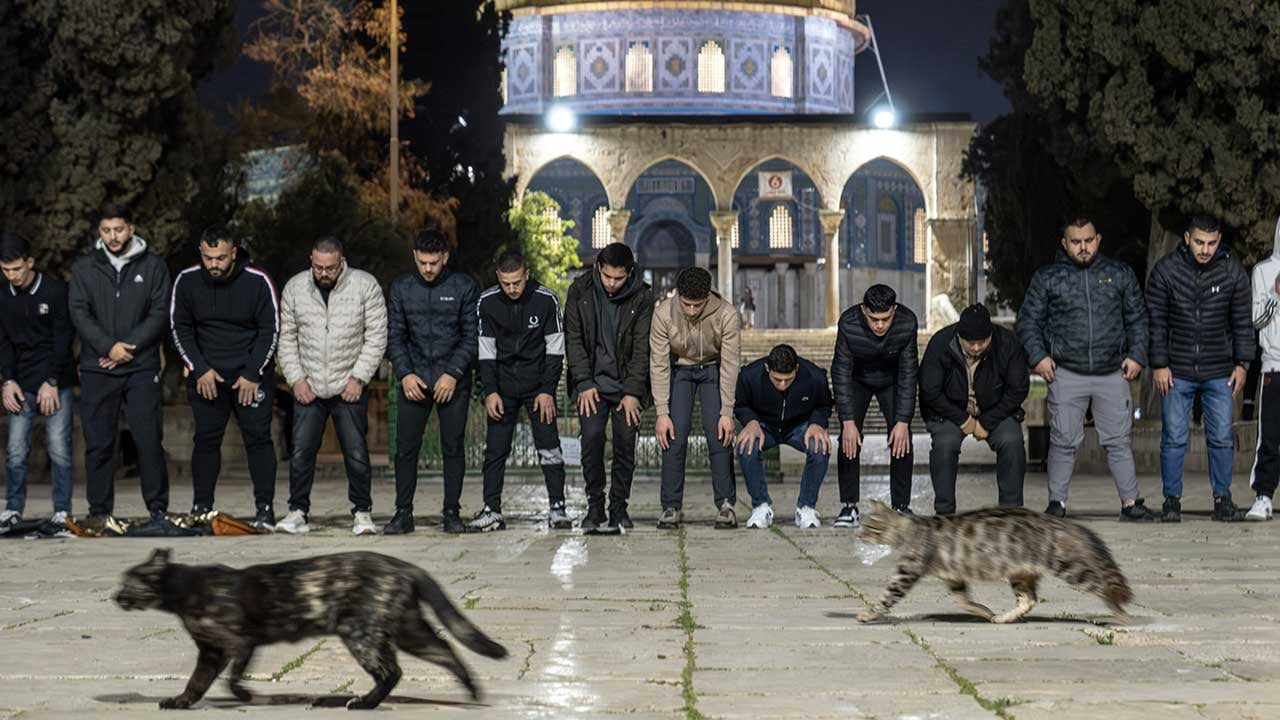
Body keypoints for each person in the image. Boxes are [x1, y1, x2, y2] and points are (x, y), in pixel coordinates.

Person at [1015, 214, 1159, 521]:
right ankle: (1057, 504)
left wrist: (1136, 355)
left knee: (1118, 441)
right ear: (1064, 243)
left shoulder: (1119, 274)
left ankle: (1130, 503)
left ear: (1098, 240)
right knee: (1063, 441)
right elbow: (1028, 321)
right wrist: (1039, 356)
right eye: (1076, 242)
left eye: (1089, 240)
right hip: (1066, 372)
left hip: (1112, 372)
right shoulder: (1048, 277)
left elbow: (1137, 318)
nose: (1083, 247)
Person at [273, 237, 387, 536]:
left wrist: (359, 378)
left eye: (331, 268)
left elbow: (376, 336)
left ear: (342, 262)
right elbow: (286, 339)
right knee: (301, 453)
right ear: (311, 260)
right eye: (319, 267)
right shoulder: (295, 288)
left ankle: (362, 512)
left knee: (357, 454)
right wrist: (296, 379)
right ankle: (298, 511)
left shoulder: (365, 286)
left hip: (349, 385)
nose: (324, 273)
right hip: (308, 386)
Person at [169, 226, 280, 529]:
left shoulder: (258, 281)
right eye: (208, 258)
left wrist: (252, 373)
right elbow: (180, 328)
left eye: (220, 258)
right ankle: (201, 507)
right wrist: (199, 368)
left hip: (250, 377)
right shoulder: (187, 280)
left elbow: (270, 330)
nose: (214, 265)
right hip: (207, 378)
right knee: (205, 441)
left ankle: (265, 510)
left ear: (233, 253)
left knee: (258, 441)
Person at [1147, 215, 1254, 522]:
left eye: (1211, 243)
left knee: (1221, 437)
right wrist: (1159, 365)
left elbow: (1242, 322)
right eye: (1199, 242)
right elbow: (1156, 321)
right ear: (1186, 238)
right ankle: (1171, 502)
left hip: (1219, 370)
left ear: (1219, 241)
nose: (1205, 249)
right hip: (1176, 370)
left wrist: (1242, 363)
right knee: (1173, 438)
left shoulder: (1232, 270)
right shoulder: (1166, 270)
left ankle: (1223, 500)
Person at [69, 204, 172, 523]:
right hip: (97, 366)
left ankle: (157, 509)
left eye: (119, 229)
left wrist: (128, 348)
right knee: (98, 443)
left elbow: (159, 312)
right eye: (106, 230)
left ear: (131, 228)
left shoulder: (154, 266)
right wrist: (107, 347)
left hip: (141, 367)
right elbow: (79, 312)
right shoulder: (85, 268)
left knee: (149, 440)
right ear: (99, 232)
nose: (113, 236)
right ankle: (99, 512)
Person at [384, 227, 479, 534]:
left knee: (453, 447)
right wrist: (405, 373)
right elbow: (395, 336)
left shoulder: (464, 286)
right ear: (415, 257)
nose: (427, 269)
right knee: (405, 449)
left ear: (445, 257)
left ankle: (451, 513)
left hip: (452, 381)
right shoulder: (400, 288)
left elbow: (471, 336)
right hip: (414, 380)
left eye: (433, 263)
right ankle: (403, 513)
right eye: (422, 262)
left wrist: (453, 373)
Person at [471, 251, 569, 532]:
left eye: (517, 282)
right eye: (506, 283)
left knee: (549, 447)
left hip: (539, 388)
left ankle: (557, 507)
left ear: (527, 275)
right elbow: (486, 351)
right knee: (495, 451)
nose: (512, 289)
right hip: (502, 388)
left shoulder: (546, 300)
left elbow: (555, 350)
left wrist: (547, 390)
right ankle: (492, 510)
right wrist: (490, 391)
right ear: (498, 279)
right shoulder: (487, 303)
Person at [564, 242, 654, 530]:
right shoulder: (580, 291)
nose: (612, 284)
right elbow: (574, 340)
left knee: (626, 444)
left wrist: (632, 392)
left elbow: (642, 349)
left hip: (626, 386)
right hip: (591, 384)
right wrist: (584, 383)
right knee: (591, 440)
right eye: (607, 277)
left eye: (619, 278)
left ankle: (618, 507)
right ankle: (594, 506)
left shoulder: (643, 296)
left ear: (630, 273)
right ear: (598, 269)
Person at [650, 267, 742, 529]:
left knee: (719, 435)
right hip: (681, 371)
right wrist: (661, 413)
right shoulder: (663, 314)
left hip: (713, 369)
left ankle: (726, 505)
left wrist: (726, 411)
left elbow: (730, 364)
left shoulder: (727, 314)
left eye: (697, 305)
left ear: (707, 298)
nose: (691, 311)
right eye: (686, 304)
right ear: (678, 295)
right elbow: (658, 364)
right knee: (673, 437)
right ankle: (670, 506)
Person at [919, 303, 1029, 515]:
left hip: (996, 410)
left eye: (982, 342)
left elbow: (1018, 389)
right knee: (944, 444)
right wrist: (965, 421)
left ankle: (1012, 513)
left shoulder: (1008, 343)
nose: (977, 347)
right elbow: (930, 391)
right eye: (971, 343)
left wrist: (986, 422)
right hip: (950, 411)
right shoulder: (941, 344)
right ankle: (944, 513)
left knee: (1012, 441)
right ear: (959, 336)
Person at [0, 232, 77, 533]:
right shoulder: (2, 294)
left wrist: (52, 380)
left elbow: (63, 340)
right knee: (16, 450)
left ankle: (61, 511)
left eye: (17, 269)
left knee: (59, 448)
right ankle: (12, 509)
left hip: (55, 382)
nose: (12, 276)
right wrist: (7, 381)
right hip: (20, 383)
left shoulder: (57, 291)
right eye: (5, 271)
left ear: (30, 262)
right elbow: (3, 341)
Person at [830, 284, 918, 526]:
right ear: (863, 310)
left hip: (892, 380)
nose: (880, 325)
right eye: (874, 319)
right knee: (848, 438)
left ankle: (901, 506)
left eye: (885, 319)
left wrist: (902, 421)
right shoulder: (848, 323)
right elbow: (840, 371)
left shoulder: (907, 322)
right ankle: (849, 507)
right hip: (857, 379)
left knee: (902, 437)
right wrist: (847, 421)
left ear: (894, 310)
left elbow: (909, 373)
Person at [734, 344, 832, 528]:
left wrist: (817, 423)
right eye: (777, 379)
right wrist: (751, 421)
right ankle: (760, 507)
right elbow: (741, 405)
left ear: (796, 369)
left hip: (799, 426)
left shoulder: (815, 376)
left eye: (788, 380)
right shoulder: (749, 376)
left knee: (820, 447)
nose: (782, 385)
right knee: (746, 445)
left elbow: (825, 405)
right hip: (764, 426)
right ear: (767, 368)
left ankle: (806, 508)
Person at [1247, 216, 1280, 521]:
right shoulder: (1263, 271)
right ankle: (1264, 497)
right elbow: (1256, 320)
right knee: (1270, 435)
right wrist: (1274, 295)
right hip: (1275, 366)